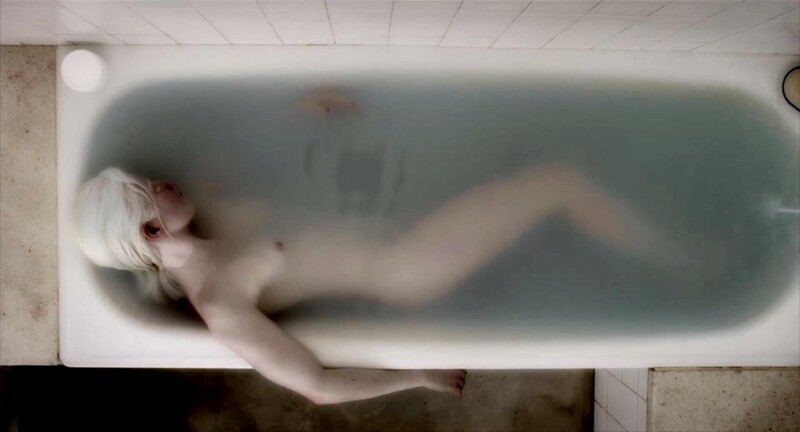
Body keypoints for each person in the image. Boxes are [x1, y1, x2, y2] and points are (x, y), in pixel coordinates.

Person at [72, 89, 670, 406]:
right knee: (556, 182)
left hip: (387, 206)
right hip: (408, 262)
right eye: (151, 190)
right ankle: (677, 262)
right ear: (151, 233)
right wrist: (417, 375)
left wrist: (297, 114)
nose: (162, 182)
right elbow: (317, 386)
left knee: (534, 158)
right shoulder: (219, 300)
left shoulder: (202, 204)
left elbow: (251, 159)